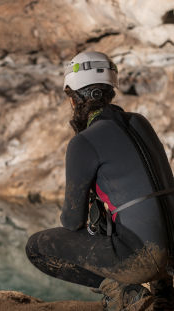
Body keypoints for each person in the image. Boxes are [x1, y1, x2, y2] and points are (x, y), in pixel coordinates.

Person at [25, 51, 174, 311]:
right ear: (110, 92)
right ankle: (165, 290)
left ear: (74, 99)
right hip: (172, 252)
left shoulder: (83, 142)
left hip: (143, 259)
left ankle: (124, 292)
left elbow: (72, 221)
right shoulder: (140, 123)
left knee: (37, 247)